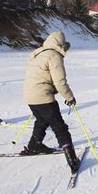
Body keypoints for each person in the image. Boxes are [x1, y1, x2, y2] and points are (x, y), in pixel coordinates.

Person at [22, 31, 80, 174]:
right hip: (43, 96)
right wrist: (70, 97)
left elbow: (41, 77)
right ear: (59, 45)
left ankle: (34, 145)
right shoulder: (54, 56)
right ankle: (72, 160)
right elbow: (60, 82)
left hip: (30, 96)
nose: (65, 50)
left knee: (41, 121)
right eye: (64, 46)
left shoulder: (38, 54)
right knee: (59, 127)